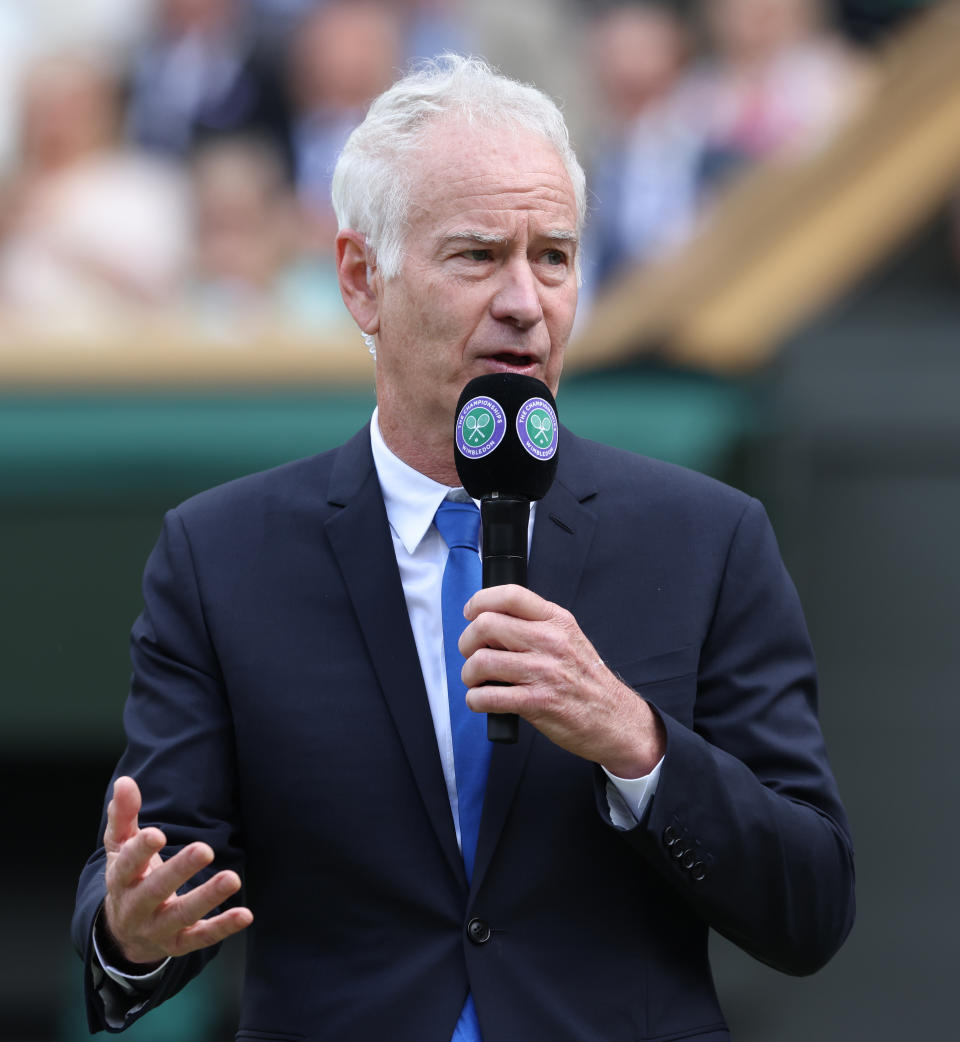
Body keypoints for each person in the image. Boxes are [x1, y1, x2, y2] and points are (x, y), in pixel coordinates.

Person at [73, 55, 855, 1041]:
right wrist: (131, 930)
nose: (526, 300)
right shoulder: (221, 556)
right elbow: (158, 873)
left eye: (556, 257)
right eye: (479, 256)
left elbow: (812, 905)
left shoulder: (708, 539)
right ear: (362, 280)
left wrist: (636, 741)